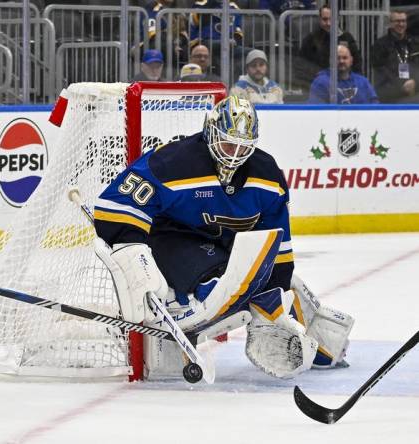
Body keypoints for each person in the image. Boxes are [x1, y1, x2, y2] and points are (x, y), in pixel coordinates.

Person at [93, 96, 354, 379]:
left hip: (224, 247)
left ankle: (321, 348)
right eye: (229, 144)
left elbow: (279, 249)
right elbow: (113, 207)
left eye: (244, 147)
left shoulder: (267, 176)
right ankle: (183, 304)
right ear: (210, 132)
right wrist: (133, 252)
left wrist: (276, 301)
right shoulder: (173, 162)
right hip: (170, 239)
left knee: (282, 285)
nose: (234, 154)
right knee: (222, 284)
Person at [371, 10, 418, 104]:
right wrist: (402, 85)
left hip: (414, 93)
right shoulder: (380, 45)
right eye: (397, 21)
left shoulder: (415, 43)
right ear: (390, 23)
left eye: (403, 21)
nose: (401, 24)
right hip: (390, 95)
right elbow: (381, 71)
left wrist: (415, 81)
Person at [299, 5, 362, 75]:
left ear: (338, 19)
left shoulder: (346, 37)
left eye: (332, 19)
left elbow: (357, 62)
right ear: (320, 19)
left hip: (344, 82)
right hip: (318, 82)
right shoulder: (311, 38)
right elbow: (303, 63)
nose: (328, 23)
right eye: (325, 19)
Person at [308, 44, 378, 104]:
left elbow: (375, 107)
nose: (341, 61)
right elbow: (317, 111)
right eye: (338, 58)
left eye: (345, 58)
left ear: (351, 60)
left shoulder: (363, 82)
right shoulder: (321, 82)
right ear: (331, 61)